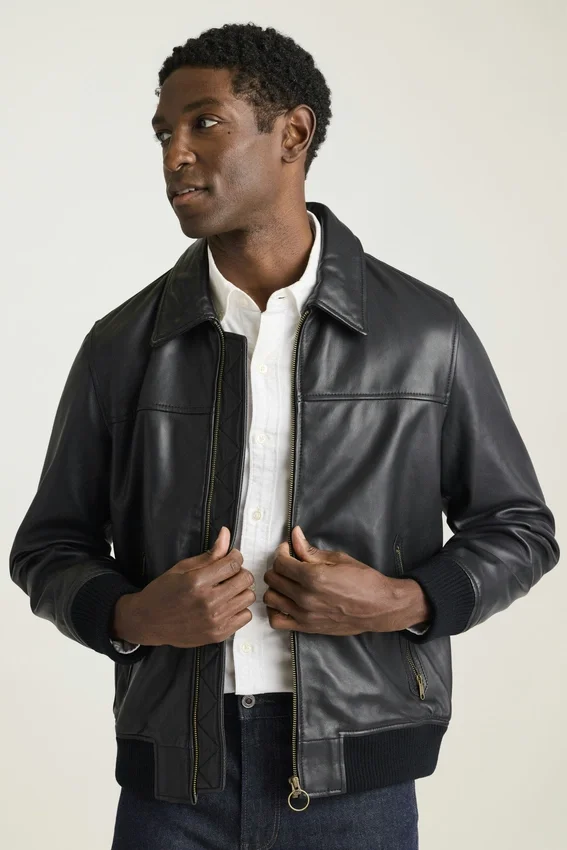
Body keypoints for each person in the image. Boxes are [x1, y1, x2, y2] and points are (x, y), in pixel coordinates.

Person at [9, 21, 560, 850]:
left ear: (292, 134)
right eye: (163, 133)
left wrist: (404, 601)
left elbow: (518, 528)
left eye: (205, 123)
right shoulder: (121, 346)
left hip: (359, 783)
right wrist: (132, 614)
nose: (175, 155)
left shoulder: (424, 334)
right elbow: (48, 547)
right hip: (173, 786)